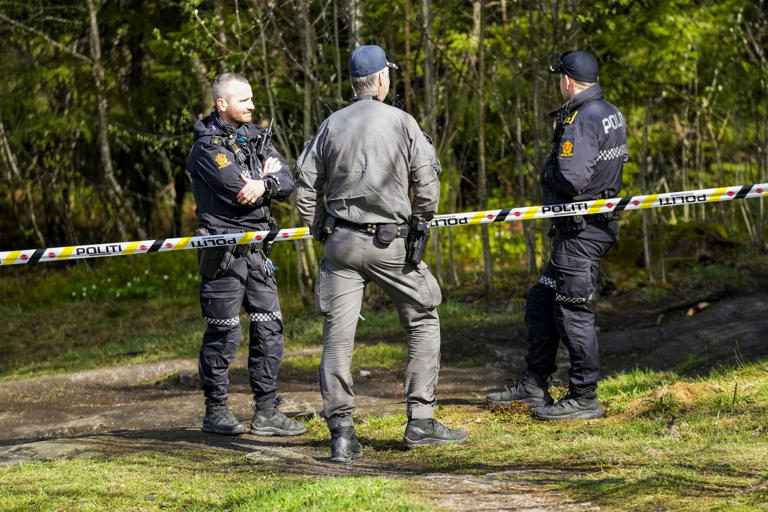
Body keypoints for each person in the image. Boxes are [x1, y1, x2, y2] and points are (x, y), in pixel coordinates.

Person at [295, 45, 467, 462]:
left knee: (337, 338)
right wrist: (420, 225)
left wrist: (319, 226)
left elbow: (304, 187)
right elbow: (427, 184)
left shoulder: (331, 125)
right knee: (423, 318)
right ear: (383, 80)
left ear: (354, 83)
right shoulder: (403, 122)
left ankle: (341, 434)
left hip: (341, 244)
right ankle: (420, 420)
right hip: (391, 244)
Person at [487, 51, 628, 420]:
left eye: (558, 78)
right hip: (587, 228)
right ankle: (535, 384)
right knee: (541, 300)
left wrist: (547, 174)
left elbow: (572, 177)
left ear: (567, 80)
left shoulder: (582, 118)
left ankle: (584, 396)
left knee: (572, 310)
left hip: (581, 233)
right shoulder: (608, 110)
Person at [187, 72, 306, 437]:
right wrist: (262, 181)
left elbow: (287, 180)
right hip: (224, 253)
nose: (252, 105)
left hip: (258, 253)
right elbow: (234, 190)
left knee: (270, 329)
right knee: (224, 334)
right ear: (222, 104)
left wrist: (263, 183)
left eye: (252, 98)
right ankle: (216, 411)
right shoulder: (207, 147)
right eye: (244, 100)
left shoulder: (255, 137)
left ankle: (267, 411)